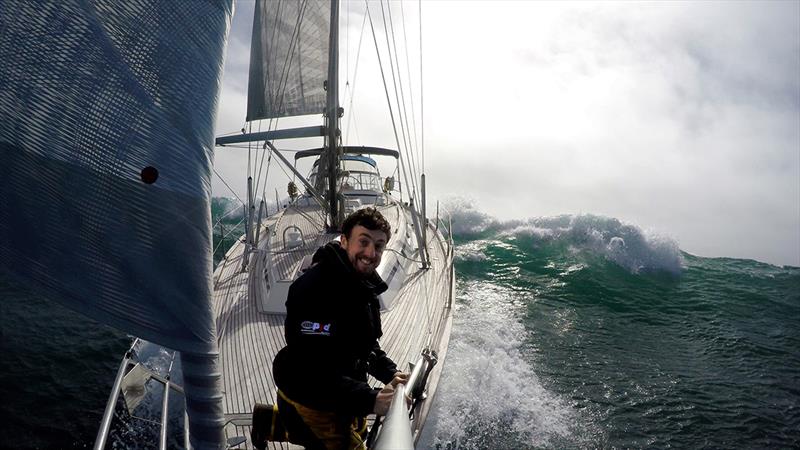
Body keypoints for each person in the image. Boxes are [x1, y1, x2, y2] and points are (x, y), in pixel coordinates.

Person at [272, 207, 408, 450]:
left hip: (342, 389)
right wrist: (370, 398)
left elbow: (364, 343)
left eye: (378, 246)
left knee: (359, 428)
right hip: (311, 397)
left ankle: (270, 422)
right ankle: (285, 421)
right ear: (344, 241)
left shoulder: (360, 283)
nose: (371, 253)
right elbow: (312, 371)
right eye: (363, 242)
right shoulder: (313, 289)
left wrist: (390, 373)